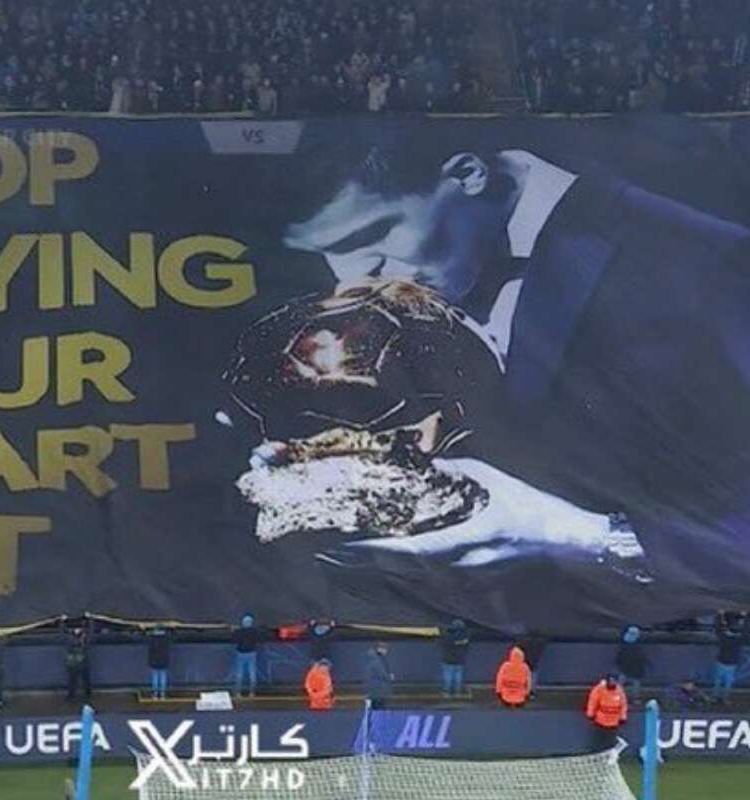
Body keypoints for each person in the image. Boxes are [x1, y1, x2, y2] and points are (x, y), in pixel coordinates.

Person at [277, 127, 750, 626]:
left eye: (371, 236)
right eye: (329, 253)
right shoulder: (432, 276)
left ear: (468, 175)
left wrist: (584, 535)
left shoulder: (705, 265)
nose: (355, 279)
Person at [586, 673, 629, 751]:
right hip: (600, 720)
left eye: (614, 680)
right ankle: (596, 756)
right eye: (611, 680)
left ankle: (609, 758)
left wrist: (623, 717)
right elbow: (593, 701)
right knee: (598, 741)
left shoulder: (619, 691)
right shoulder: (599, 689)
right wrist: (590, 714)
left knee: (610, 743)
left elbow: (623, 705)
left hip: (614, 722)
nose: (612, 682)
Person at [714, 611, 747, 703]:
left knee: (718, 681)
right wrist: (743, 617)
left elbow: (720, 628)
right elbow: (744, 629)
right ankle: (724, 698)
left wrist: (721, 615)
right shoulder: (738, 640)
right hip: (730, 664)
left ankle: (716, 697)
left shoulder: (724, 637)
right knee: (727, 683)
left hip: (722, 662)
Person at [616, 626, 649, 702]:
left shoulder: (636, 645)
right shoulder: (626, 645)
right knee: (625, 681)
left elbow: (641, 656)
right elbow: (620, 656)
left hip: (634, 667)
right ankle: (619, 696)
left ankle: (634, 697)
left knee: (634, 682)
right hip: (628, 666)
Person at [440, 620, 470, 698]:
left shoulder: (448, 636)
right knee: (458, 675)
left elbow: (443, 644)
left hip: (448, 659)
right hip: (459, 659)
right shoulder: (465, 637)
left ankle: (447, 692)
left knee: (448, 675)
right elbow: (466, 645)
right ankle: (457, 692)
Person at [64, 623, 92, 702]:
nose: (77, 629)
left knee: (86, 680)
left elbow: (91, 631)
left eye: (79, 628)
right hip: (73, 663)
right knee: (72, 680)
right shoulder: (69, 638)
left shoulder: (85, 637)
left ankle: (88, 695)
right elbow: (62, 633)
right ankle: (71, 695)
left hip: (82, 662)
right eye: (75, 628)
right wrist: (62, 621)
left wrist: (90, 620)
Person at [365, 641, 394, 708]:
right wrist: (390, 677)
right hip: (378, 692)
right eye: (385, 649)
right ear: (380, 649)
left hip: (374, 691)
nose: (386, 651)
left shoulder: (373, 659)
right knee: (379, 711)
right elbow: (382, 674)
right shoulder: (377, 661)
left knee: (375, 710)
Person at [518, 633, 548, 698]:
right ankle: (530, 691)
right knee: (531, 673)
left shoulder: (535, 647)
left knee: (531, 673)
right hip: (530, 664)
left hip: (529, 664)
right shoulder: (537, 647)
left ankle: (529, 691)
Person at [147, 626, 171, 700]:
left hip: (154, 660)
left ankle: (155, 694)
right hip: (163, 660)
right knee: (162, 677)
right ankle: (162, 694)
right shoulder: (166, 638)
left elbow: (150, 650)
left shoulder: (152, 639)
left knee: (155, 677)